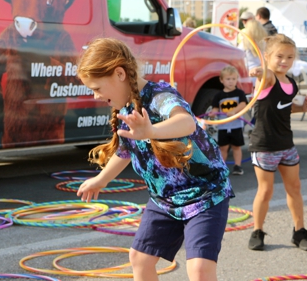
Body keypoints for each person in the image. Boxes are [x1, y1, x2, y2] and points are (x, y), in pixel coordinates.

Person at [76, 38, 234, 281]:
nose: (96, 96)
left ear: (119, 73)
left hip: (205, 195)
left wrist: (151, 132)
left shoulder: (160, 96)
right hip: (164, 200)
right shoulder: (126, 110)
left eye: (97, 88)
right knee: (139, 259)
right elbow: (125, 151)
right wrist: (101, 179)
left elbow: (187, 122)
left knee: (200, 269)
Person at [247, 34, 307, 252]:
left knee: (295, 188)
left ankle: (299, 231)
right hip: (264, 145)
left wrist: (301, 108)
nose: (284, 61)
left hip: (286, 145)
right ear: (267, 57)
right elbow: (262, 74)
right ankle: (257, 231)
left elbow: (284, 106)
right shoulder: (268, 78)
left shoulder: (290, 82)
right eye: (279, 56)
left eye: (290, 57)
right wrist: (258, 71)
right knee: (265, 191)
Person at [209, 66, 248, 175]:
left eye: (233, 79)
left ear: (237, 79)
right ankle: (222, 167)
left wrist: (234, 111)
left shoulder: (239, 93)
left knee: (236, 146)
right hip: (223, 126)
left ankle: (237, 166)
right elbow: (216, 108)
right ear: (222, 80)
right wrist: (213, 113)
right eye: (228, 79)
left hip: (236, 125)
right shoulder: (219, 95)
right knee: (223, 147)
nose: (231, 82)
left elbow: (243, 104)